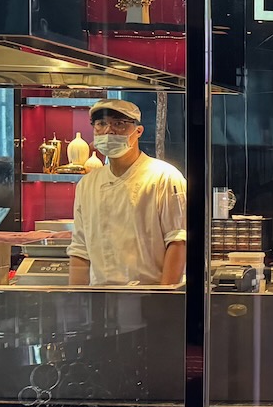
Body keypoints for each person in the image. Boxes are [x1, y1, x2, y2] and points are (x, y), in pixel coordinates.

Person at [67, 99, 187, 286]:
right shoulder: (87, 184)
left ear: (138, 131)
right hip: (100, 299)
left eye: (119, 124)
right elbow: (80, 250)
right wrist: (76, 302)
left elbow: (178, 242)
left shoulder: (164, 177)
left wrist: (165, 298)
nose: (109, 131)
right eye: (101, 124)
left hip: (149, 297)